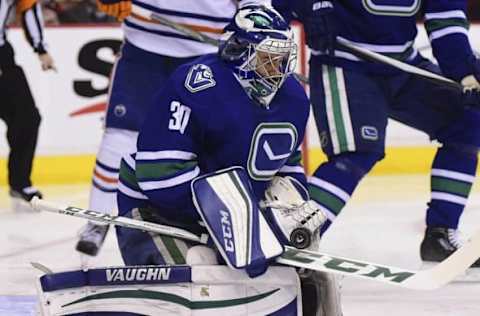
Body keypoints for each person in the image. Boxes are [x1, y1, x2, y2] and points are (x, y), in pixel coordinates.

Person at [115, 5, 341, 315]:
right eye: (267, 58)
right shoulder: (197, 85)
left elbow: (287, 166)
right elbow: (161, 177)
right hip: (157, 212)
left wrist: (286, 208)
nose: (277, 68)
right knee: (201, 272)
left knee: (308, 276)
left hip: (232, 217)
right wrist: (234, 227)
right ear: (238, 51)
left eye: (282, 58)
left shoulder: (294, 99)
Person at [273, 0, 480, 267]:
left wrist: (463, 70)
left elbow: (446, 16)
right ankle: (288, 238)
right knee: (356, 153)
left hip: (401, 64)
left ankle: (440, 236)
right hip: (344, 62)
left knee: (468, 122)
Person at [76, 0, 271, 256]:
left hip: (206, 53)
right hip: (142, 47)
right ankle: (97, 220)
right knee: (120, 136)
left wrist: (251, 27)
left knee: (210, 142)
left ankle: (221, 222)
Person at [1, 0, 56, 211]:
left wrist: (41, 48)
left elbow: (28, 6)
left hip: (2, 56)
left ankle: (20, 182)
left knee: (27, 118)